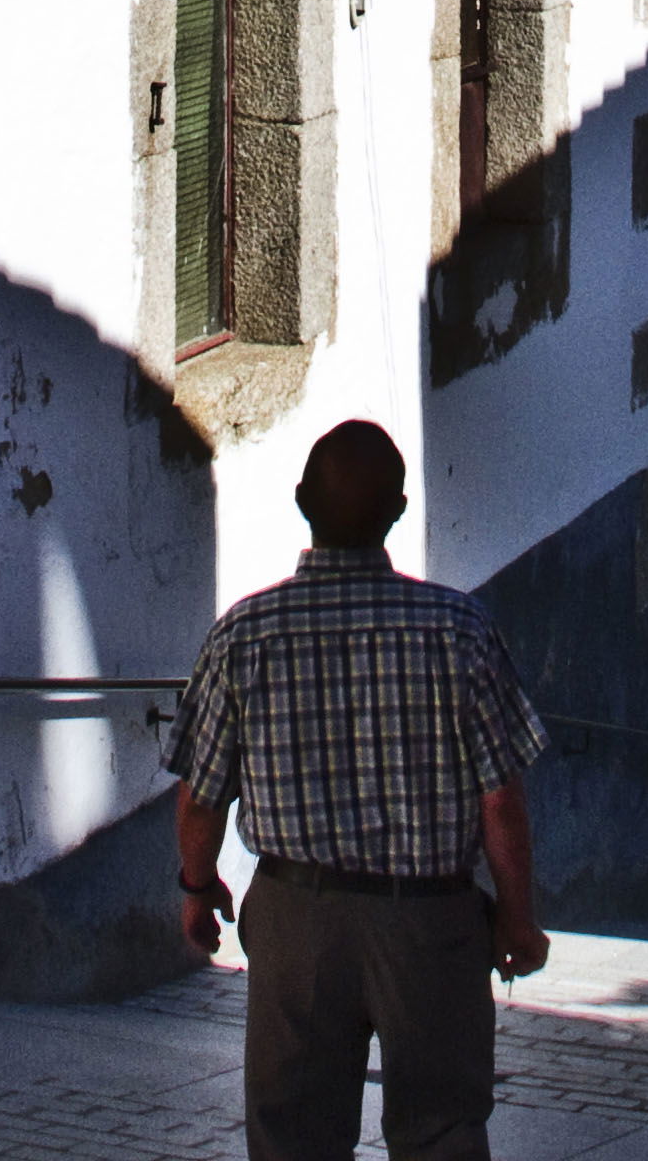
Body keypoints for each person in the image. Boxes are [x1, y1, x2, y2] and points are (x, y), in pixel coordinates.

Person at [167, 420, 546, 1161]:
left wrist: (196, 884)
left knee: (295, 1136)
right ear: (399, 511)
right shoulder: (460, 630)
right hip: (432, 924)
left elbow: (202, 797)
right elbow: (501, 800)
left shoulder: (244, 634)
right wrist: (517, 921)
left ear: (302, 500)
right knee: (443, 1129)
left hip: (297, 918)